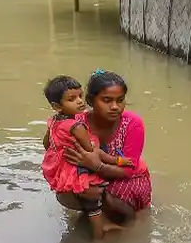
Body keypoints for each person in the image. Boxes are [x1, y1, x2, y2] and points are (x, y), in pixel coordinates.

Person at [44, 70, 151, 225]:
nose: (115, 106)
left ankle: (130, 224)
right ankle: (98, 217)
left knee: (113, 199)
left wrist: (96, 165)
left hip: (130, 177)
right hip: (92, 175)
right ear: (91, 101)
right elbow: (54, 149)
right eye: (107, 100)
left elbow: (127, 171)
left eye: (120, 100)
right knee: (67, 191)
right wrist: (53, 126)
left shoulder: (132, 123)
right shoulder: (75, 122)